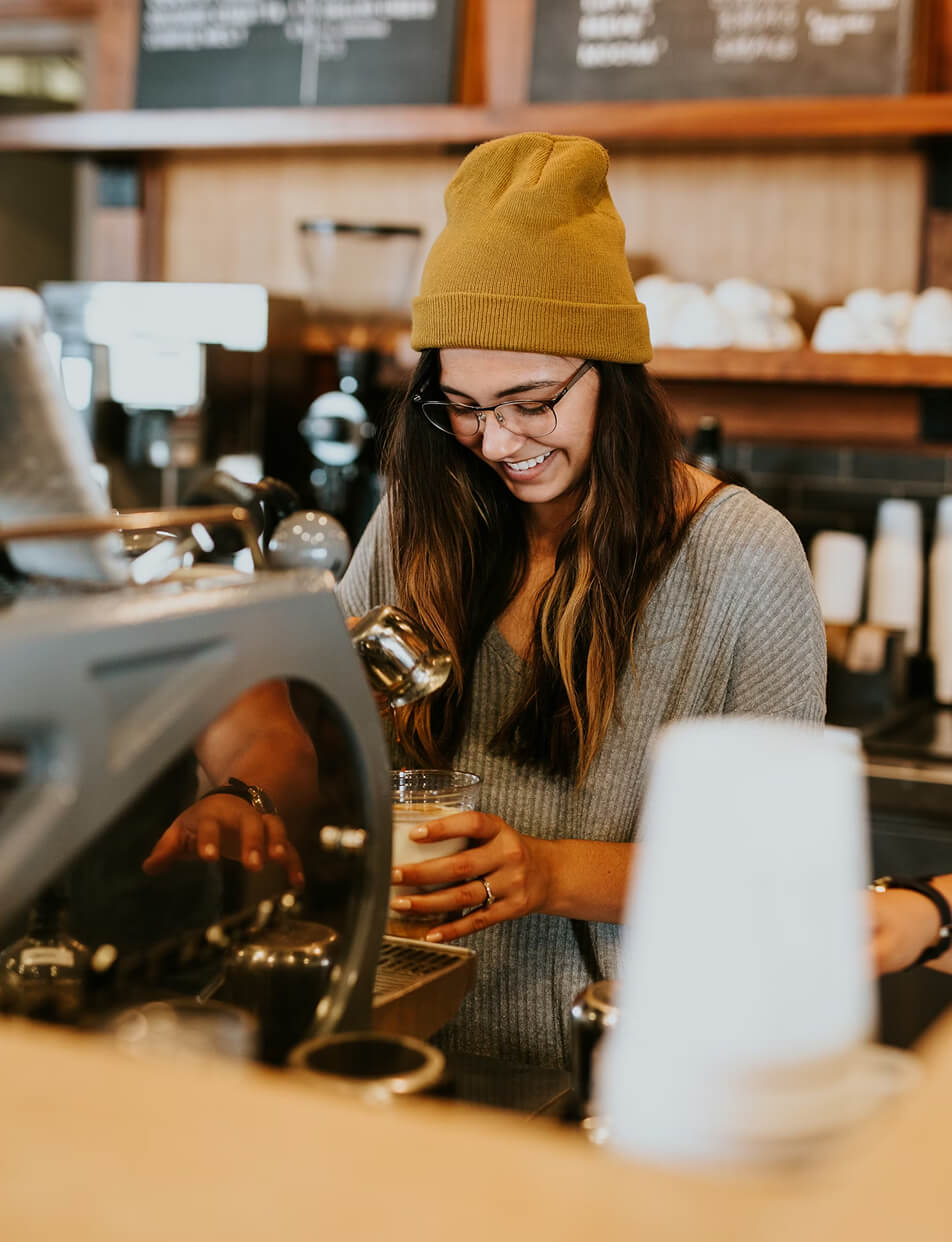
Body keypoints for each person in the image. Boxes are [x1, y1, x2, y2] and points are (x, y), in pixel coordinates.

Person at [144, 132, 827, 1068]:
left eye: (532, 399)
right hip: (395, 1032)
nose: (497, 441)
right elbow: (314, 730)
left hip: (618, 1064)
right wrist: (251, 796)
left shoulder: (744, 556)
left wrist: (548, 871)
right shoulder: (421, 524)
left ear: (615, 374)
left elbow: (783, 868)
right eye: (461, 404)